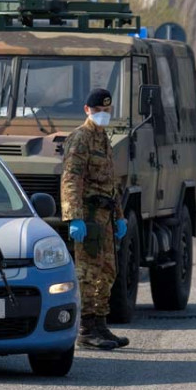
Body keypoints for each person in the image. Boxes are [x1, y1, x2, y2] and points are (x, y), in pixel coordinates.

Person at [61, 88, 130, 350]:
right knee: (88, 272)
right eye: (98, 110)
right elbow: (71, 179)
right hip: (88, 216)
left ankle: (100, 324)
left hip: (106, 216)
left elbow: (112, 183)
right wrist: (73, 218)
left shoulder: (103, 138)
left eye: (107, 110)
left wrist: (120, 216)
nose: (103, 115)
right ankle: (86, 328)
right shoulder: (81, 138)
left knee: (107, 271)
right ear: (87, 110)